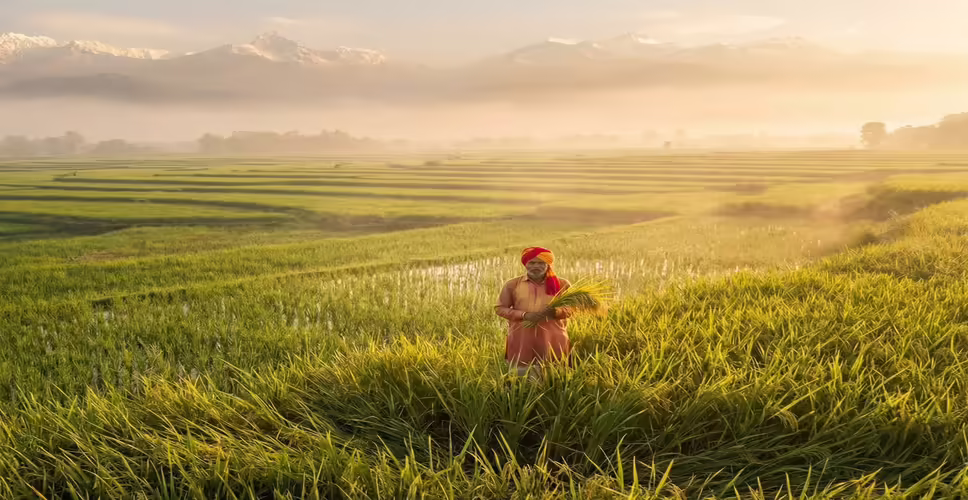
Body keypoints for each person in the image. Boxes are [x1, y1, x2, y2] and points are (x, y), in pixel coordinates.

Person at [495, 247, 573, 379]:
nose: (536, 266)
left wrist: (555, 312)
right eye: (532, 263)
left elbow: (573, 308)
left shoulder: (562, 284)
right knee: (520, 380)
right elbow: (500, 308)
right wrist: (524, 315)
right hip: (522, 340)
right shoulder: (512, 285)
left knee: (555, 377)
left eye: (541, 263)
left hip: (553, 340)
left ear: (548, 264)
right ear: (525, 264)